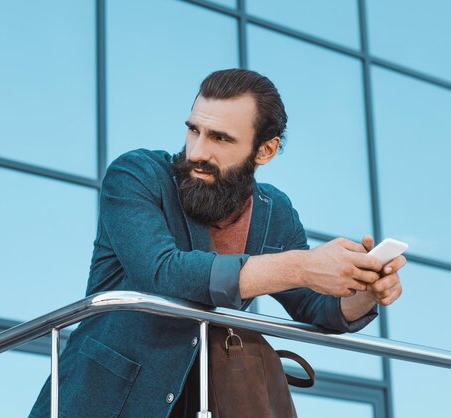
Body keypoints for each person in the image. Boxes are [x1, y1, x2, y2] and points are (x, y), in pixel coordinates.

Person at [28, 68, 405, 418]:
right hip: (101, 403)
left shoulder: (277, 213)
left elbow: (312, 305)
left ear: (266, 150)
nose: (197, 152)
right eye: (194, 130)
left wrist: (364, 291)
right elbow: (163, 272)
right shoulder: (136, 176)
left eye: (220, 138)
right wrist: (301, 266)